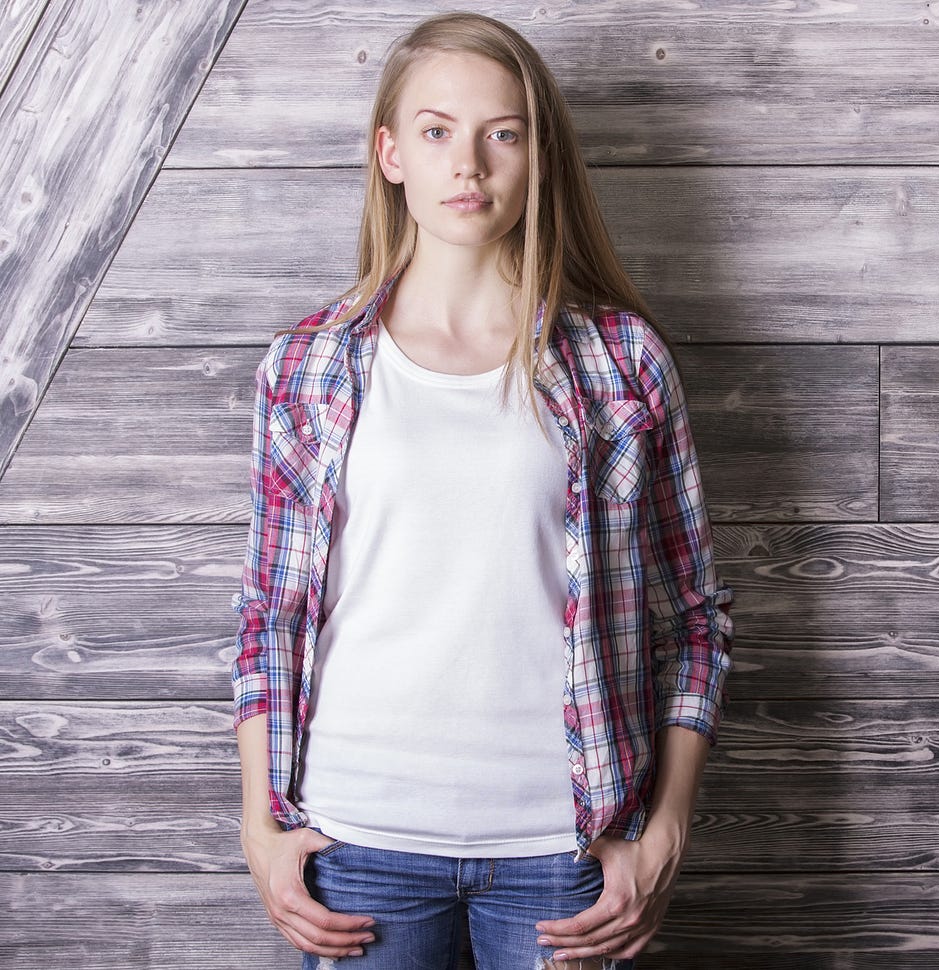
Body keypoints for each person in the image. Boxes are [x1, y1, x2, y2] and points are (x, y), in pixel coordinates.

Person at [229, 12, 734, 969]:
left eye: (502, 132)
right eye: (436, 131)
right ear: (389, 154)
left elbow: (697, 618)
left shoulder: (620, 364)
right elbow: (268, 612)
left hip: (565, 851)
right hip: (357, 842)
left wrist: (665, 827)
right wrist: (259, 827)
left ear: (538, 154)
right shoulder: (307, 367)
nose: (470, 163)